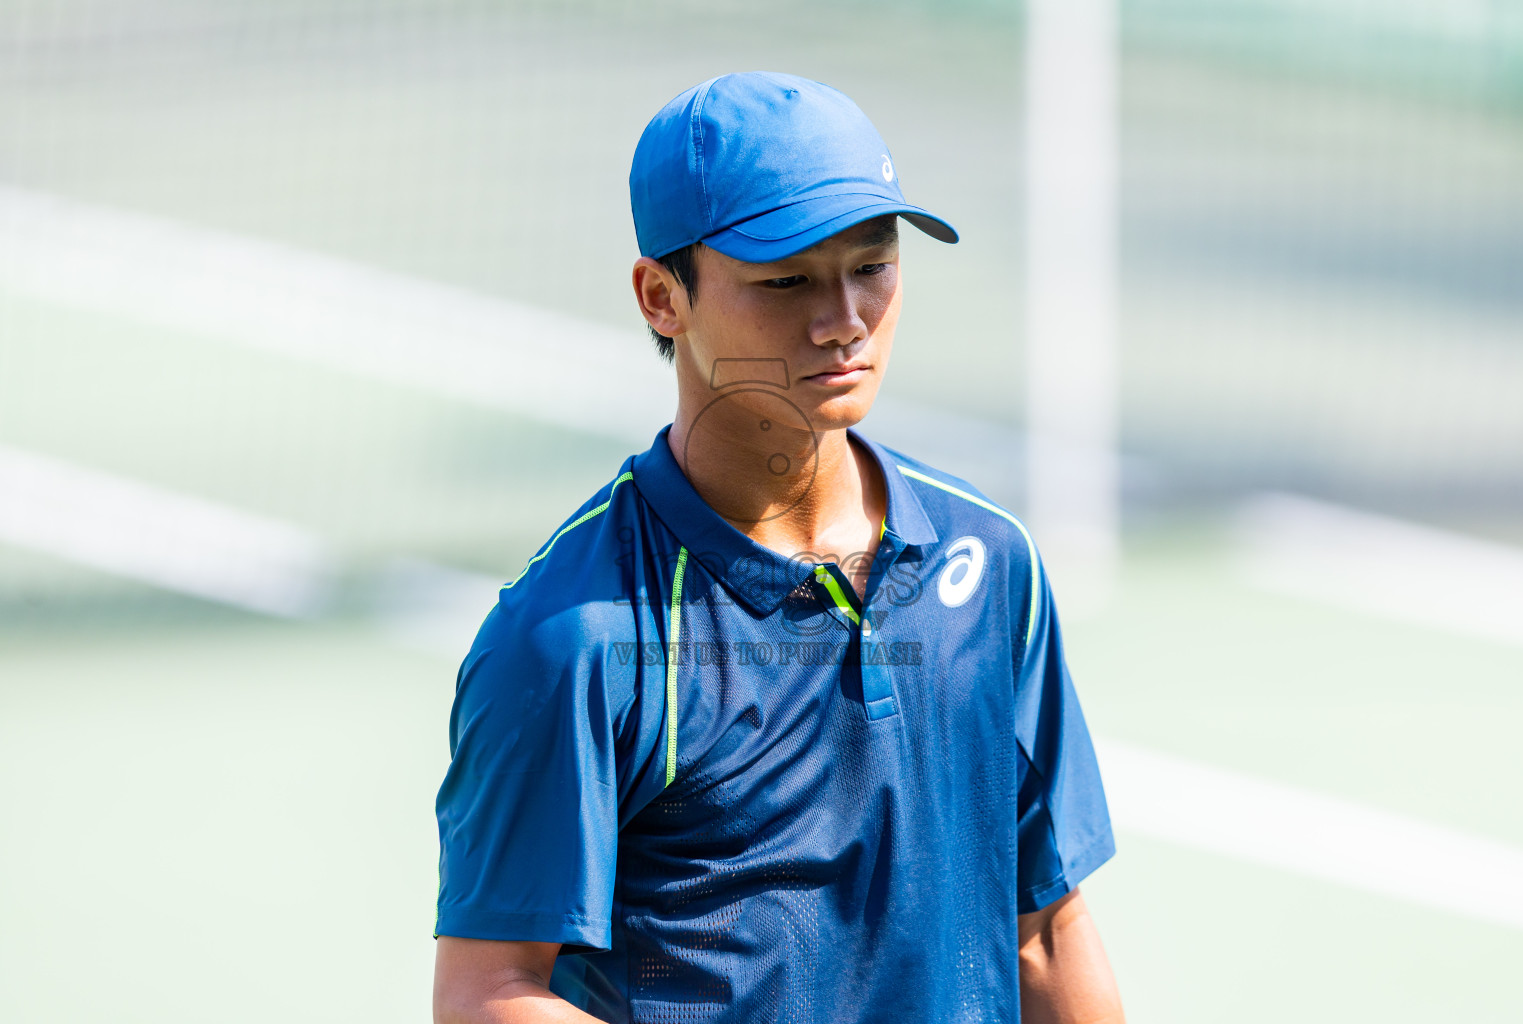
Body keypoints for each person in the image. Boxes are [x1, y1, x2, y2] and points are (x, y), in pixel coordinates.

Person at [433, 71, 1123, 1024]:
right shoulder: (573, 637)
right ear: (661, 297)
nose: (843, 320)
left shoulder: (989, 561)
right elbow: (490, 990)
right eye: (787, 279)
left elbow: (1045, 929)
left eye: (872, 267)